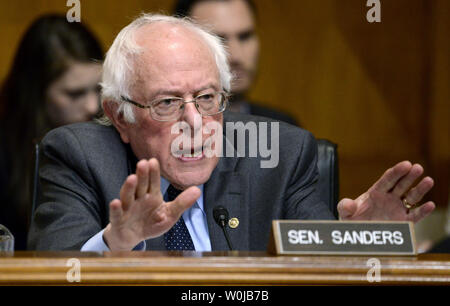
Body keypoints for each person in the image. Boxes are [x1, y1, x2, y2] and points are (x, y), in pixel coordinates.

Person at [28, 14, 435, 252]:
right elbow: (53, 271)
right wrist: (114, 245)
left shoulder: (282, 154)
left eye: (207, 98)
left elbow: (318, 264)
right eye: (167, 103)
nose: (195, 122)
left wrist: (354, 242)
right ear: (119, 116)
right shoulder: (76, 154)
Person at [0, 14, 103, 250]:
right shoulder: (5, 150)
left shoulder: (112, 139)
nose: (92, 106)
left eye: (98, 89)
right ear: (36, 93)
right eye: (74, 94)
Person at [173, 0, 299, 126]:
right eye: (219, 40)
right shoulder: (164, 133)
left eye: (245, 36)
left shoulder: (283, 126)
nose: (236, 56)